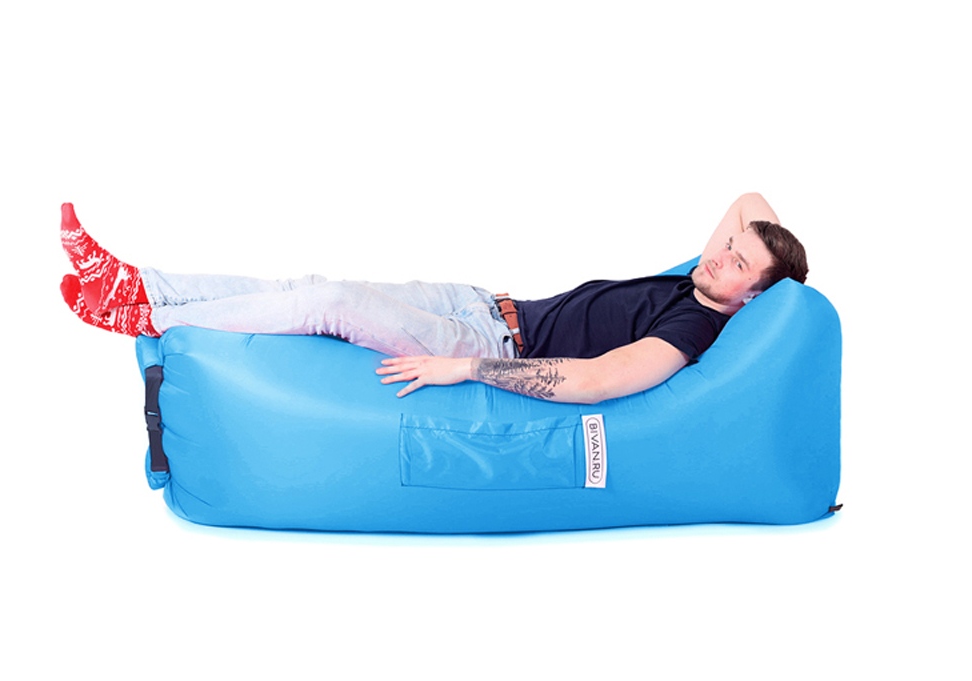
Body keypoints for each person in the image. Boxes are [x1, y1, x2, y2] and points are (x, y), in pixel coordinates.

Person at [59, 193, 807, 404]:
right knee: (308, 287)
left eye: (737, 261)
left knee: (330, 303)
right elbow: (749, 200)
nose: (719, 252)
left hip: (486, 345)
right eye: (729, 246)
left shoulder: (691, 328)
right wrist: (769, 265)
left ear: (754, 299)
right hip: (481, 302)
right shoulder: (711, 279)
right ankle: (136, 281)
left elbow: (600, 380)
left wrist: (468, 369)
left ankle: (146, 314)